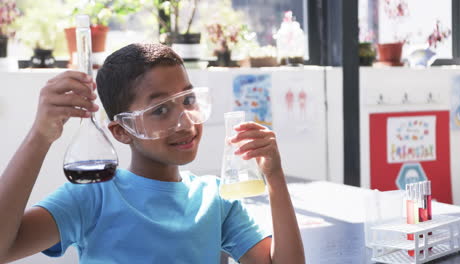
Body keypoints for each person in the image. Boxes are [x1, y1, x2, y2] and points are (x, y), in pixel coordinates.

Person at [0, 43, 304, 263]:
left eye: (187, 101)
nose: (184, 122)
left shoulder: (215, 199)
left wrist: (274, 177)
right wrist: (40, 137)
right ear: (122, 131)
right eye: (160, 109)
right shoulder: (93, 196)